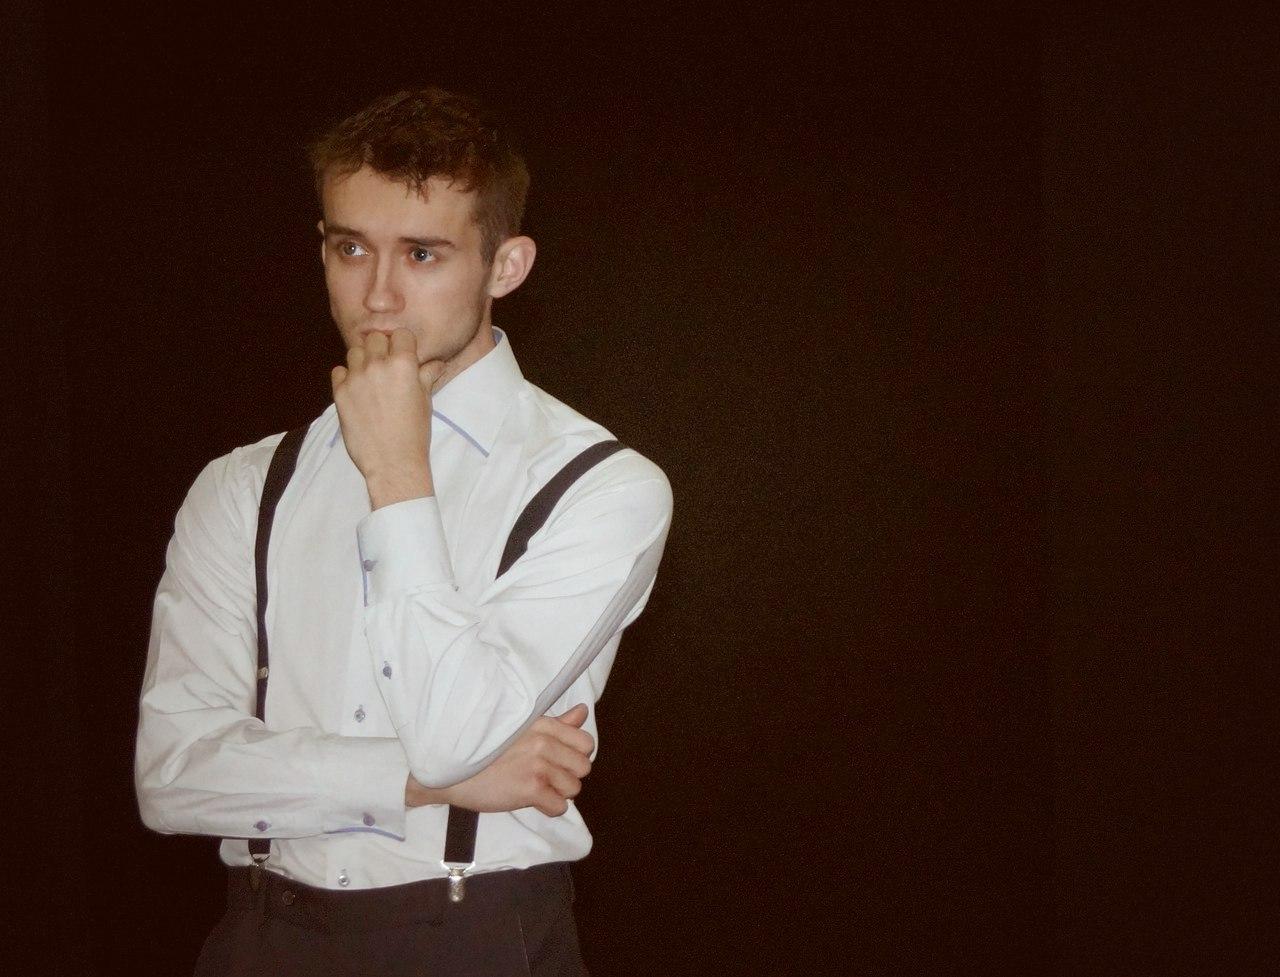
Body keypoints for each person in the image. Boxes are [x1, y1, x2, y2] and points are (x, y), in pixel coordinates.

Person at [135, 86, 673, 976]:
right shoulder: (242, 485)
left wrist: (396, 472)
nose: (378, 295)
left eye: (422, 254)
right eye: (351, 248)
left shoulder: (601, 485)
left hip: (474, 936)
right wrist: (419, 781)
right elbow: (172, 776)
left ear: (506, 266)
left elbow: (455, 730)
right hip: (262, 938)